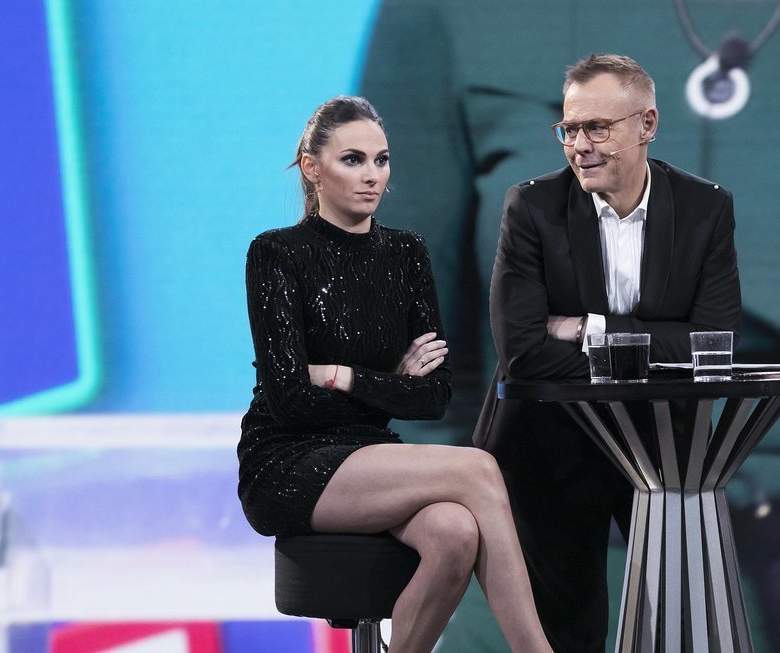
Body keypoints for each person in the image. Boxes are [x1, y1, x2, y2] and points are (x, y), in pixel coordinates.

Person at [237, 96, 553, 653]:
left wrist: (339, 375)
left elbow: (432, 396)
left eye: (381, 160)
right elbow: (289, 400)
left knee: (455, 533)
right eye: (353, 160)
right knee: (477, 468)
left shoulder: (406, 253)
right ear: (313, 168)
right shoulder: (277, 253)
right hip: (287, 460)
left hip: (370, 454)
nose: (372, 176)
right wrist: (388, 384)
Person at [472, 55, 742, 651]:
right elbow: (522, 353)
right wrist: (653, 339)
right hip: (549, 445)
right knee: (572, 631)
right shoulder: (533, 208)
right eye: (569, 129)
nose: (580, 146)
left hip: (663, 444)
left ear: (647, 124)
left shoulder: (704, 209)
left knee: (677, 627)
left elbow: (713, 343)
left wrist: (587, 327)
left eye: (598, 128)